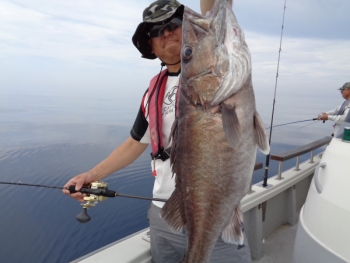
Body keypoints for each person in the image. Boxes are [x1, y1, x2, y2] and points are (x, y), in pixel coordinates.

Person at [63, 0, 251, 262]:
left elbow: (215, 9)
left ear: (187, 29)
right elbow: (132, 145)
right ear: (150, 45)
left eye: (174, 24)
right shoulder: (152, 92)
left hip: (215, 215)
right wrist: (91, 174)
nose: (166, 33)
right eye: (155, 31)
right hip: (163, 216)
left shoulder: (216, 69)